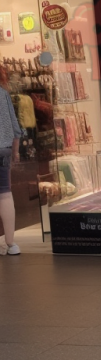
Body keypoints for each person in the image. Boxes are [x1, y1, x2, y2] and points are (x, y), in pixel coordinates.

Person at [0, 66, 22, 254]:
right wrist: (16, 151)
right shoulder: (3, 93)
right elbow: (15, 126)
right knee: (5, 193)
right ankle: (11, 243)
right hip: (3, 149)